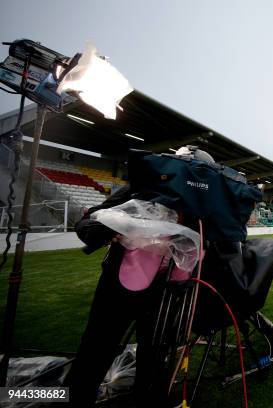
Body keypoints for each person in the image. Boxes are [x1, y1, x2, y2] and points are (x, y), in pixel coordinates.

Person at [63, 146, 212, 407]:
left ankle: (149, 397)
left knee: (155, 350)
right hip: (120, 283)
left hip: (169, 290)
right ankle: (76, 397)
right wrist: (106, 229)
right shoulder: (141, 188)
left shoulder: (207, 206)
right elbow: (88, 221)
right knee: (99, 345)